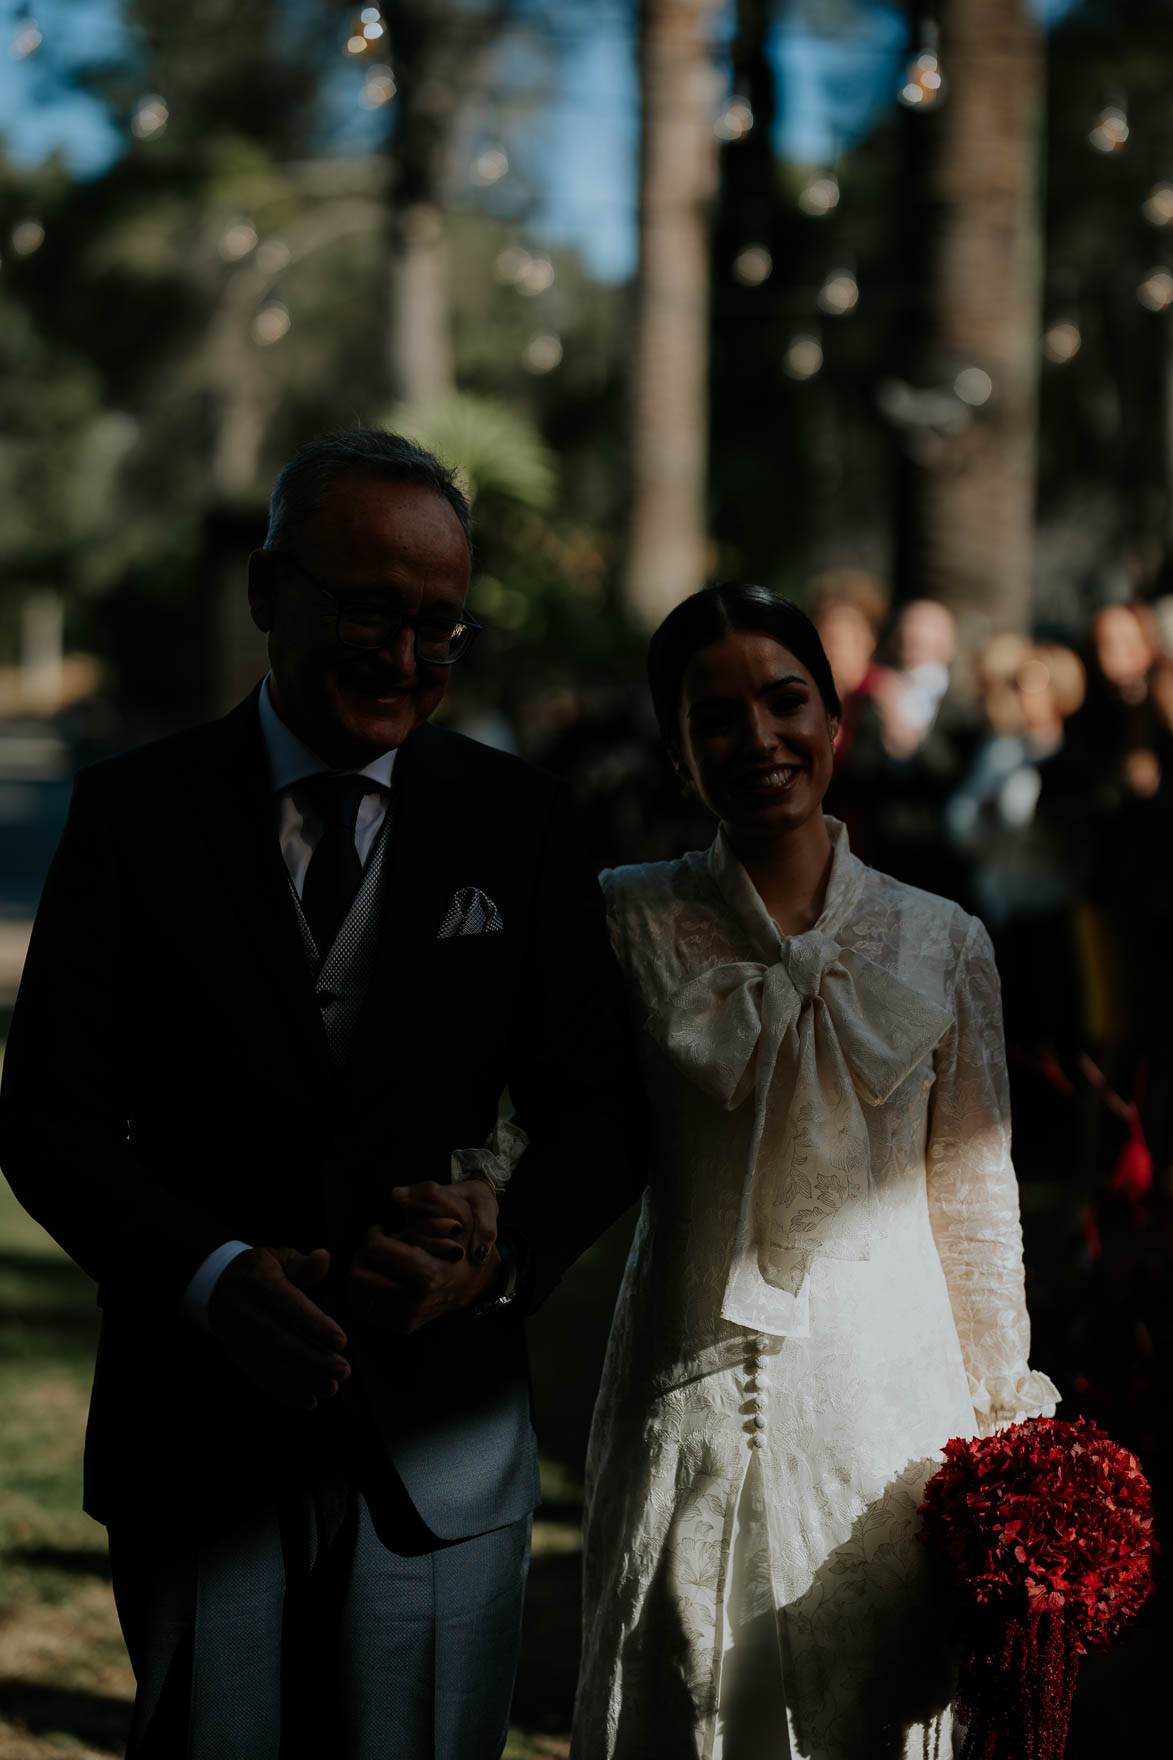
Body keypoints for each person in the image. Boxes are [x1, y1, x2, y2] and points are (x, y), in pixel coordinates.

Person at [0, 429, 646, 1760]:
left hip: (440, 1451)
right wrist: (210, 1274)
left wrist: (503, 1255)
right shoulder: (132, 815)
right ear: (266, 592)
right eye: (366, 610)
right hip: (196, 1440)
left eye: (438, 625)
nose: (403, 658)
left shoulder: (515, 819)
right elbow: (48, 1117)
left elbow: (601, 1107)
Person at [572, 583, 1057, 1760]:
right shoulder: (622, 923)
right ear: (680, 751)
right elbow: (556, 1126)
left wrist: (1005, 1428)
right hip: (680, 1395)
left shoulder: (944, 938)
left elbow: (977, 1205)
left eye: (786, 701)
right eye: (716, 716)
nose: (759, 739)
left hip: (895, 1412)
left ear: (836, 722)